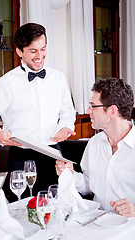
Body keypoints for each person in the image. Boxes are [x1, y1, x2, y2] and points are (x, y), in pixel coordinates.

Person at [0, 23, 76, 201]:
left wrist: (65, 126)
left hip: (54, 155)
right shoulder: (5, 84)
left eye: (43, 49)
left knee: (58, 207)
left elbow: (68, 112)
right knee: (22, 211)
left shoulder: (58, 78)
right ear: (19, 51)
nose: (40, 56)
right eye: (33, 51)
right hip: (21, 159)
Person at [56, 78, 135, 217]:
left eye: (93, 106)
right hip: (96, 222)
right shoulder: (94, 144)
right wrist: (70, 174)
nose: (88, 111)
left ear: (112, 111)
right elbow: (89, 185)